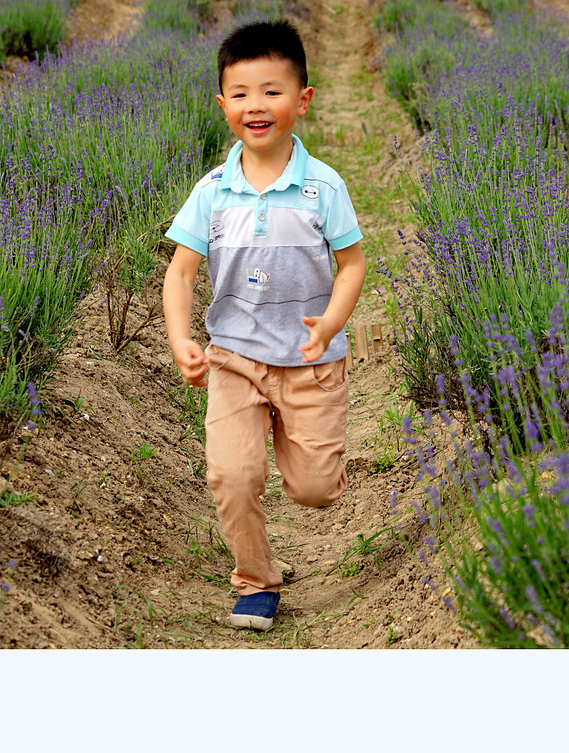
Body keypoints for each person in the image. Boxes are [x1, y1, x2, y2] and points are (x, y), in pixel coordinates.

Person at [162, 19, 365, 631]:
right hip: (234, 358)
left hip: (309, 360)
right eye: (242, 94)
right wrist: (181, 340)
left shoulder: (323, 187)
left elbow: (352, 264)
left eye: (272, 91)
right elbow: (180, 273)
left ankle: (302, 443)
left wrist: (330, 323)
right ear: (223, 105)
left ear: (302, 101)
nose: (256, 105)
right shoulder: (211, 191)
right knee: (232, 475)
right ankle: (256, 579)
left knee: (314, 488)